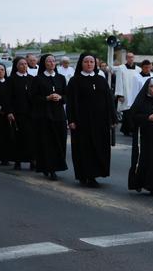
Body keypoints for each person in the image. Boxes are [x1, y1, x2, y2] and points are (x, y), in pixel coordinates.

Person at [66, 53, 117, 188]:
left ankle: (95, 174)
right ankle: (85, 174)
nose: (89, 64)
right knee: (84, 148)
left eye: (92, 62)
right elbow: (70, 102)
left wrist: (112, 117)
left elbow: (109, 100)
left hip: (100, 121)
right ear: (81, 64)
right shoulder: (75, 81)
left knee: (99, 147)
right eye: (86, 62)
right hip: (82, 122)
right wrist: (71, 119)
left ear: (95, 64)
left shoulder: (101, 79)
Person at [30, 54, 68, 180]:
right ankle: (49, 168)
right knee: (47, 143)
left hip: (59, 114)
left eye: (53, 61)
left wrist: (60, 97)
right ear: (44, 64)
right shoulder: (38, 79)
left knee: (60, 140)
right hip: (44, 115)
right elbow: (33, 97)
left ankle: (56, 166)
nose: (51, 63)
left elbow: (67, 95)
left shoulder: (61, 78)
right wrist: (47, 98)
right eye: (48, 61)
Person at [7, 57, 35, 170]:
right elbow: (7, 98)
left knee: (32, 138)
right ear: (16, 66)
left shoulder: (32, 78)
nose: (24, 66)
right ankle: (17, 161)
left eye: (25, 64)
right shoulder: (11, 79)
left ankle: (32, 160)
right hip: (17, 113)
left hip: (31, 113)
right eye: (21, 64)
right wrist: (9, 111)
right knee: (19, 138)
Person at [114, 52, 140, 135]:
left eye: (132, 57)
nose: (131, 59)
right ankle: (128, 129)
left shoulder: (138, 69)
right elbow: (119, 82)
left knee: (133, 111)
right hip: (125, 92)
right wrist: (120, 94)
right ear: (126, 58)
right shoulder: (121, 68)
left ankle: (127, 129)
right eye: (129, 57)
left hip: (135, 92)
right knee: (126, 111)